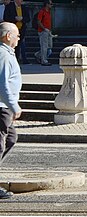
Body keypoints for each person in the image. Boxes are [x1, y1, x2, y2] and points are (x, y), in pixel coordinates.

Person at [0, 20, 21, 198]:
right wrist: (14, 106)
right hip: (2, 107)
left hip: (4, 106)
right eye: (16, 35)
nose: (19, 38)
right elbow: (2, 84)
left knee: (11, 138)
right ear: (8, 36)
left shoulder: (6, 52)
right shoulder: (3, 55)